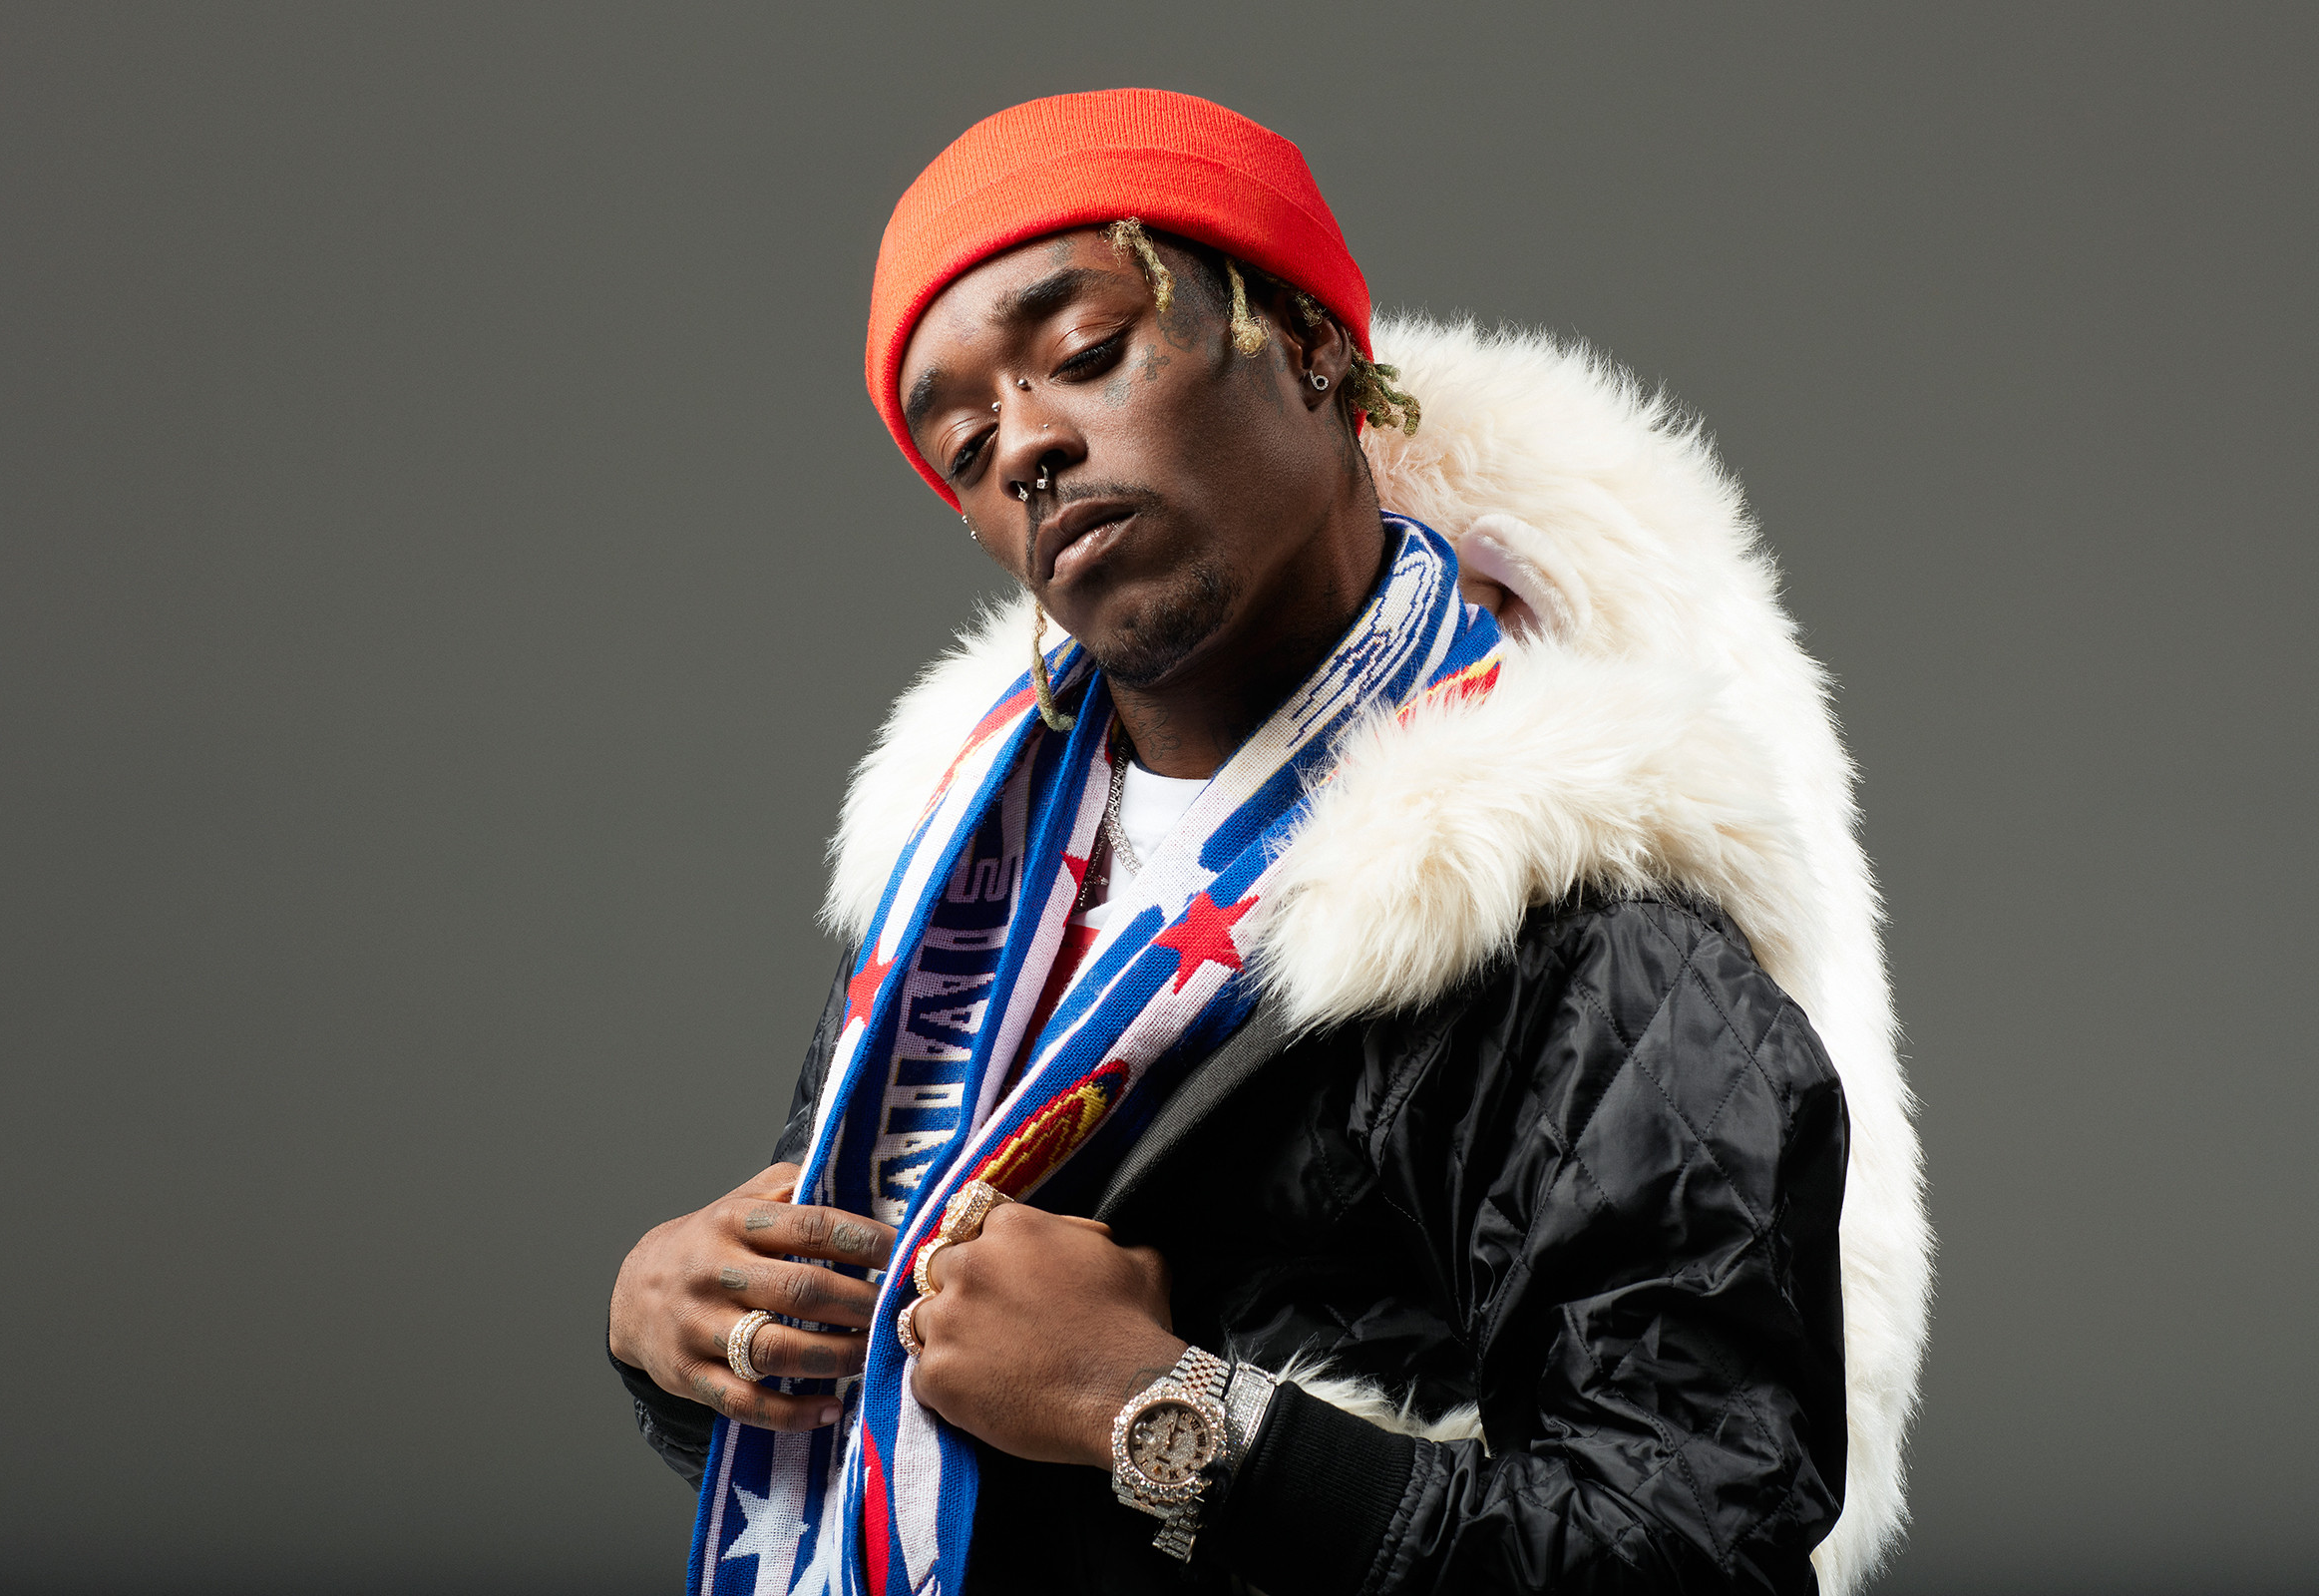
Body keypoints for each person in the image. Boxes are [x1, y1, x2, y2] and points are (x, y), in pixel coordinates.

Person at [606, 90, 1929, 1596]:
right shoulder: (966, 877)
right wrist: (688, 1335)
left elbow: (1694, 1550)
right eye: (964, 442)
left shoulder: (1590, 929)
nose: (1026, 442)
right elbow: (893, 1444)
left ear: (1309, 344)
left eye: (1086, 352)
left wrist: (1158, 1412)